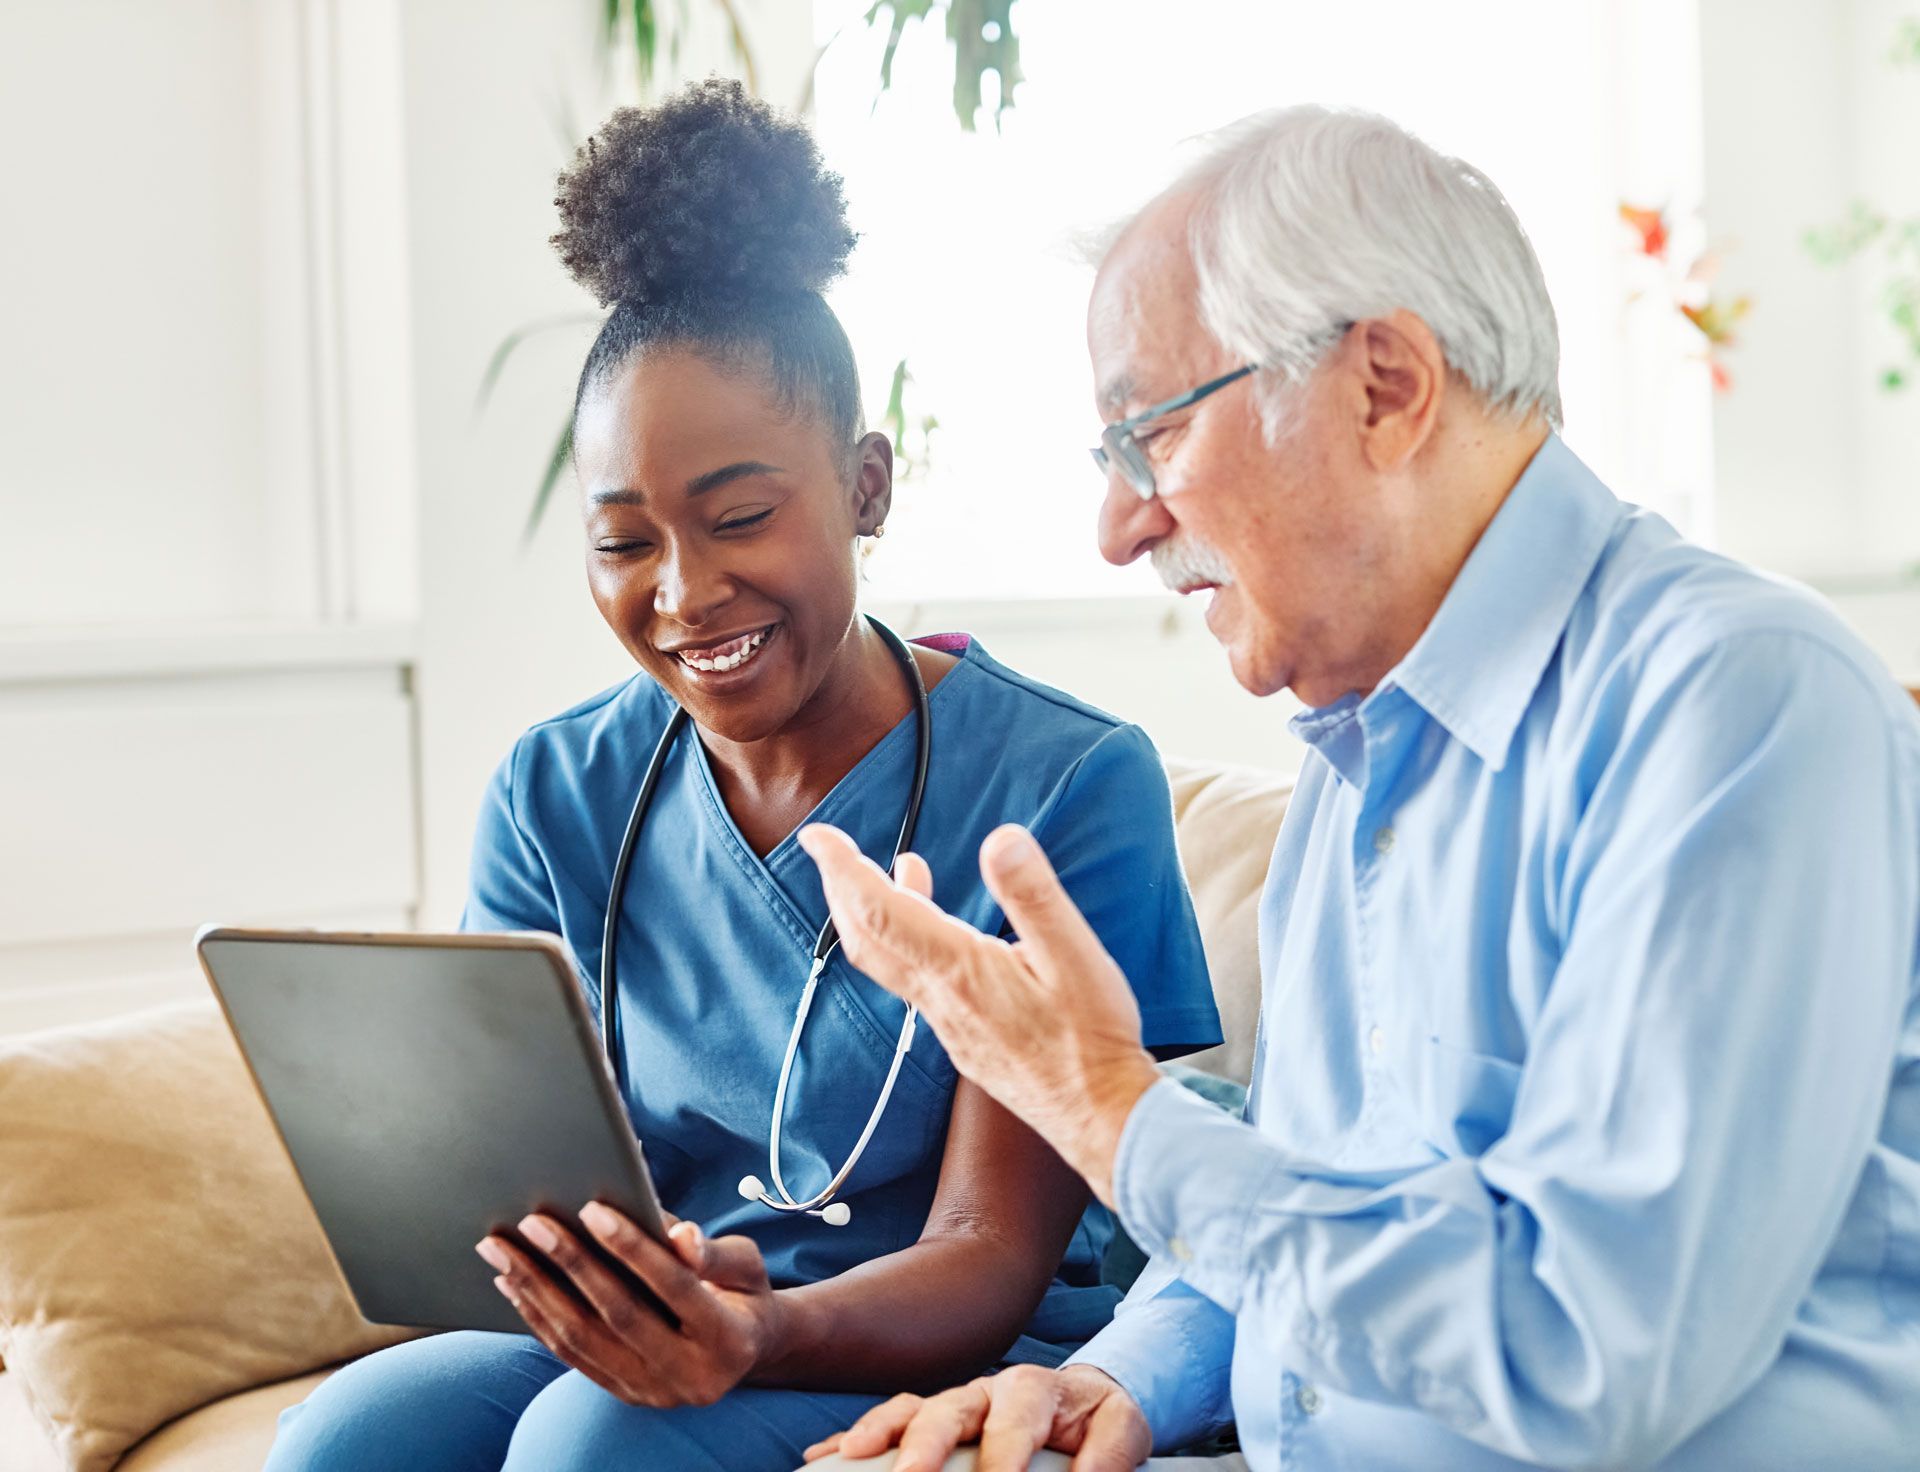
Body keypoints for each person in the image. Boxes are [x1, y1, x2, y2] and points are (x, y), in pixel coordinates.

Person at [798, 105, 1920, 1471]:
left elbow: (1592, 1355)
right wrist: (1119, 1380)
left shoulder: (1739, 705)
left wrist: (1109, 1107)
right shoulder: (1355, 755)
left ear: (1383, 384)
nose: (1120, 525)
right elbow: (1302, 1213)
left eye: (1147, 437)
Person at [262, 79, 1222, 1472]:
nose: (685, 592)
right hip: (674, 1317)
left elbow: (989, 1253)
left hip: (957, 1335)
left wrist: (754, 1335)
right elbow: (532, 1188)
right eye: (623, 541)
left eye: (741, 518)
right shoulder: (556, 795)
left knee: (595, 1447)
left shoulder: (1066, 784)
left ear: (868, 489)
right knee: (343, 1439)